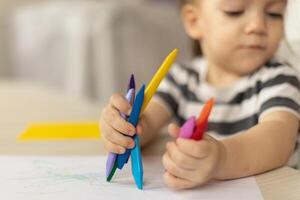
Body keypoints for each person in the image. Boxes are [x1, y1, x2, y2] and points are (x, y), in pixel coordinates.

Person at [100, 0, 300, 189]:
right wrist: (121, 128)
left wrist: (222, 158)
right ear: (194, 21)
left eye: (274, 13)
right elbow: (145, 125)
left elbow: (279, 139)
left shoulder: (281, 78)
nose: (258, 25)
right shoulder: (182, 78)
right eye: (235, 11)